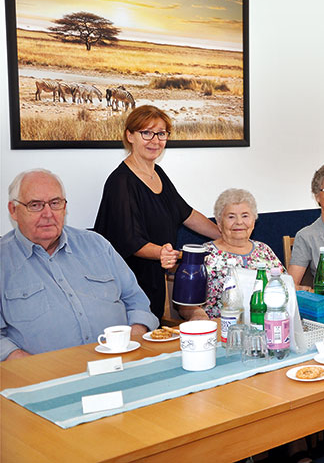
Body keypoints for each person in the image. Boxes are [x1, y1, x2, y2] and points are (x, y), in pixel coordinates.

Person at [1, 169, 159, 361]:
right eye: (35, 205)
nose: (48, 214)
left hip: (121, 365)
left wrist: (131, 342)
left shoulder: (97, 245)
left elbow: (138, 303)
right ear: (13, 210)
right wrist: (31, 367)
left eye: (55, 203)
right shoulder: (4, 260)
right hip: (45, 379)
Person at [94, 105, 220, 320]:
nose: (155, 140)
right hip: (127, 286)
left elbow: (186, 213)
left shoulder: (157, 172)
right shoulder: (121, 182)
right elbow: (129, 241)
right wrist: (164, 253)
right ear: (130, 135)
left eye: (161, 133)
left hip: (153, 278)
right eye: (147, 133)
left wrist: (224, 236)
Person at [161, 188, 283, 318]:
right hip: (221, 328)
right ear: (219, 223)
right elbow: (185, 306)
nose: (239, 222)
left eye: (245, 216)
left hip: (268, 325)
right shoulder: (204, 255)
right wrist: (198, 315)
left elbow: (284, 287)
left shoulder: (264, 250)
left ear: (254, 221)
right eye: (231, 217)